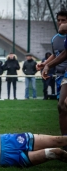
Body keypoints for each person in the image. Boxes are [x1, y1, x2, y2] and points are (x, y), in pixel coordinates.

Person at [36, 11, 67, 139]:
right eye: (59, 20)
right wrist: (45, 64)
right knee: (61, 107)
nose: (61, 23)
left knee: (63, 104)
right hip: (61, 75)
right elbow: (57, 54)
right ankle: (64, 139)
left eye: (64, 20)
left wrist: (49, 65)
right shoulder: (55, 38)